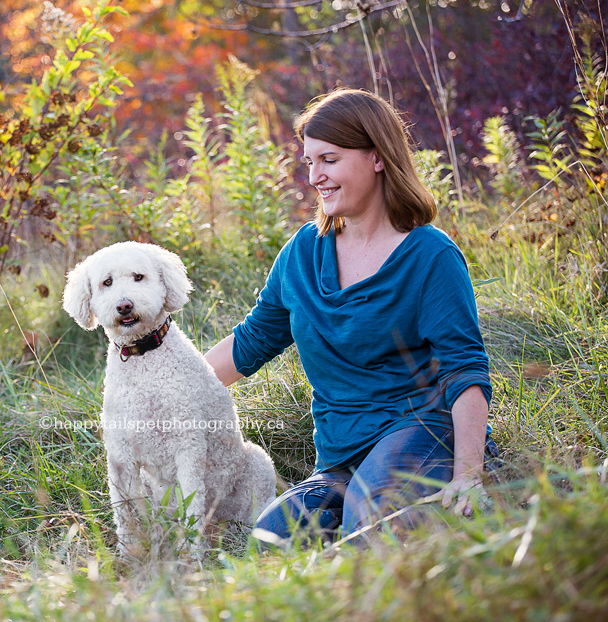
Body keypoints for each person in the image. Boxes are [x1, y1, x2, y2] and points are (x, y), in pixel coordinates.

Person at [205, 88, 493, 546]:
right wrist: (161, 387)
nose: (315, 176)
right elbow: (252, 340)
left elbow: (465, 369)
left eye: (330, 160)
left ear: (377, 157)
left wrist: (468, 475)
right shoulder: (303, 252)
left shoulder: (430, 256)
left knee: (371, 513)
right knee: (270, 544)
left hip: (419, 430)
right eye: (309, 163)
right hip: (340, 457)